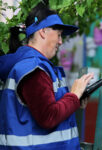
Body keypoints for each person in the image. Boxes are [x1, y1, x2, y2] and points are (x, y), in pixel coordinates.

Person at [0, 2, 94, 150]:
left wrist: (74, 101)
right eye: (59, 35)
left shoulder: (32, 66)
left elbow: (45, 107)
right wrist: (74, 96)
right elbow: (48, 116)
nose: (61, 41)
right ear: (43, 32)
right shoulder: (33, 69)